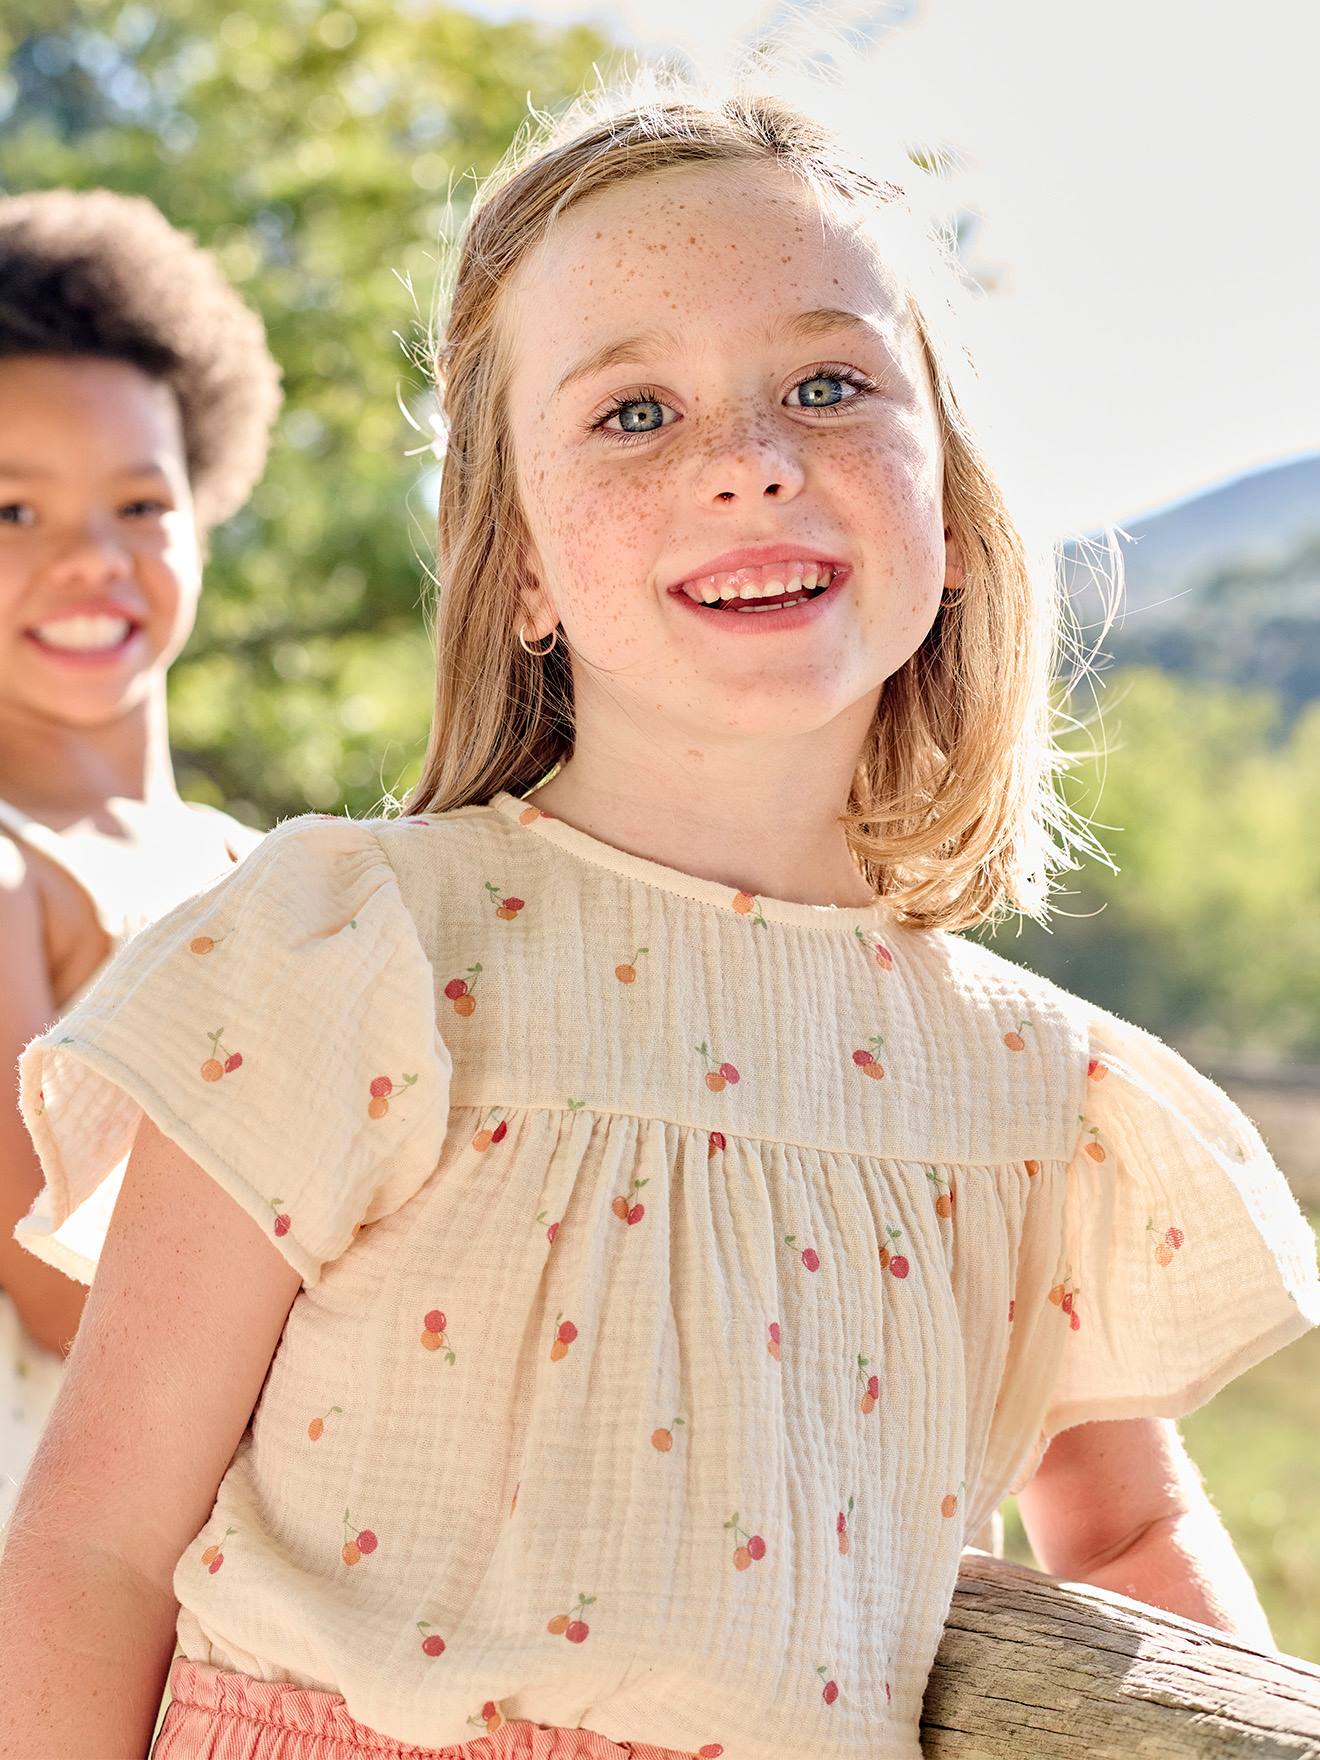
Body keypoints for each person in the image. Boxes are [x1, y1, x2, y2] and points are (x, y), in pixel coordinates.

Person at [2, 78, 1318, 1760]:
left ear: (956, 511)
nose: (751, 465)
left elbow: (1130, 1544)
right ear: (525, 565)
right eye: (633, 414)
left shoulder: (1036, 1091)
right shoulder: (360, 950)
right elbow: (97, 1537)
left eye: (830, 385)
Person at [0, 188, 279, 1538]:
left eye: (137, 502)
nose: (88, 562)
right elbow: (56, 1297)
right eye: (10, 511)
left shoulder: (275, 870)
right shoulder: (8, 875)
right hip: (73, 1539)